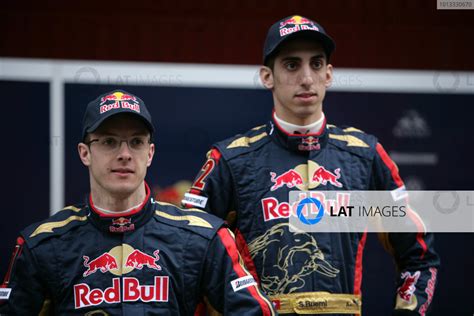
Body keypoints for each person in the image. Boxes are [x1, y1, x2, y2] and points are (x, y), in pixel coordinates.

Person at [182, 15, 440, 316]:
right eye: (292, 65)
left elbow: (419, 255)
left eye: (316, 64)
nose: (306, 78)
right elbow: (190, 259)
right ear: (267, 76)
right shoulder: (231, 159)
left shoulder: (365, 155)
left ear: (328, 74)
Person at [0, 90, 275, 315]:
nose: (124, 154)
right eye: (109, 142)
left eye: (136, 142)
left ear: (150, 153)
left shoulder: (202, 238)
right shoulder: (43, 245)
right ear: (85, 153)